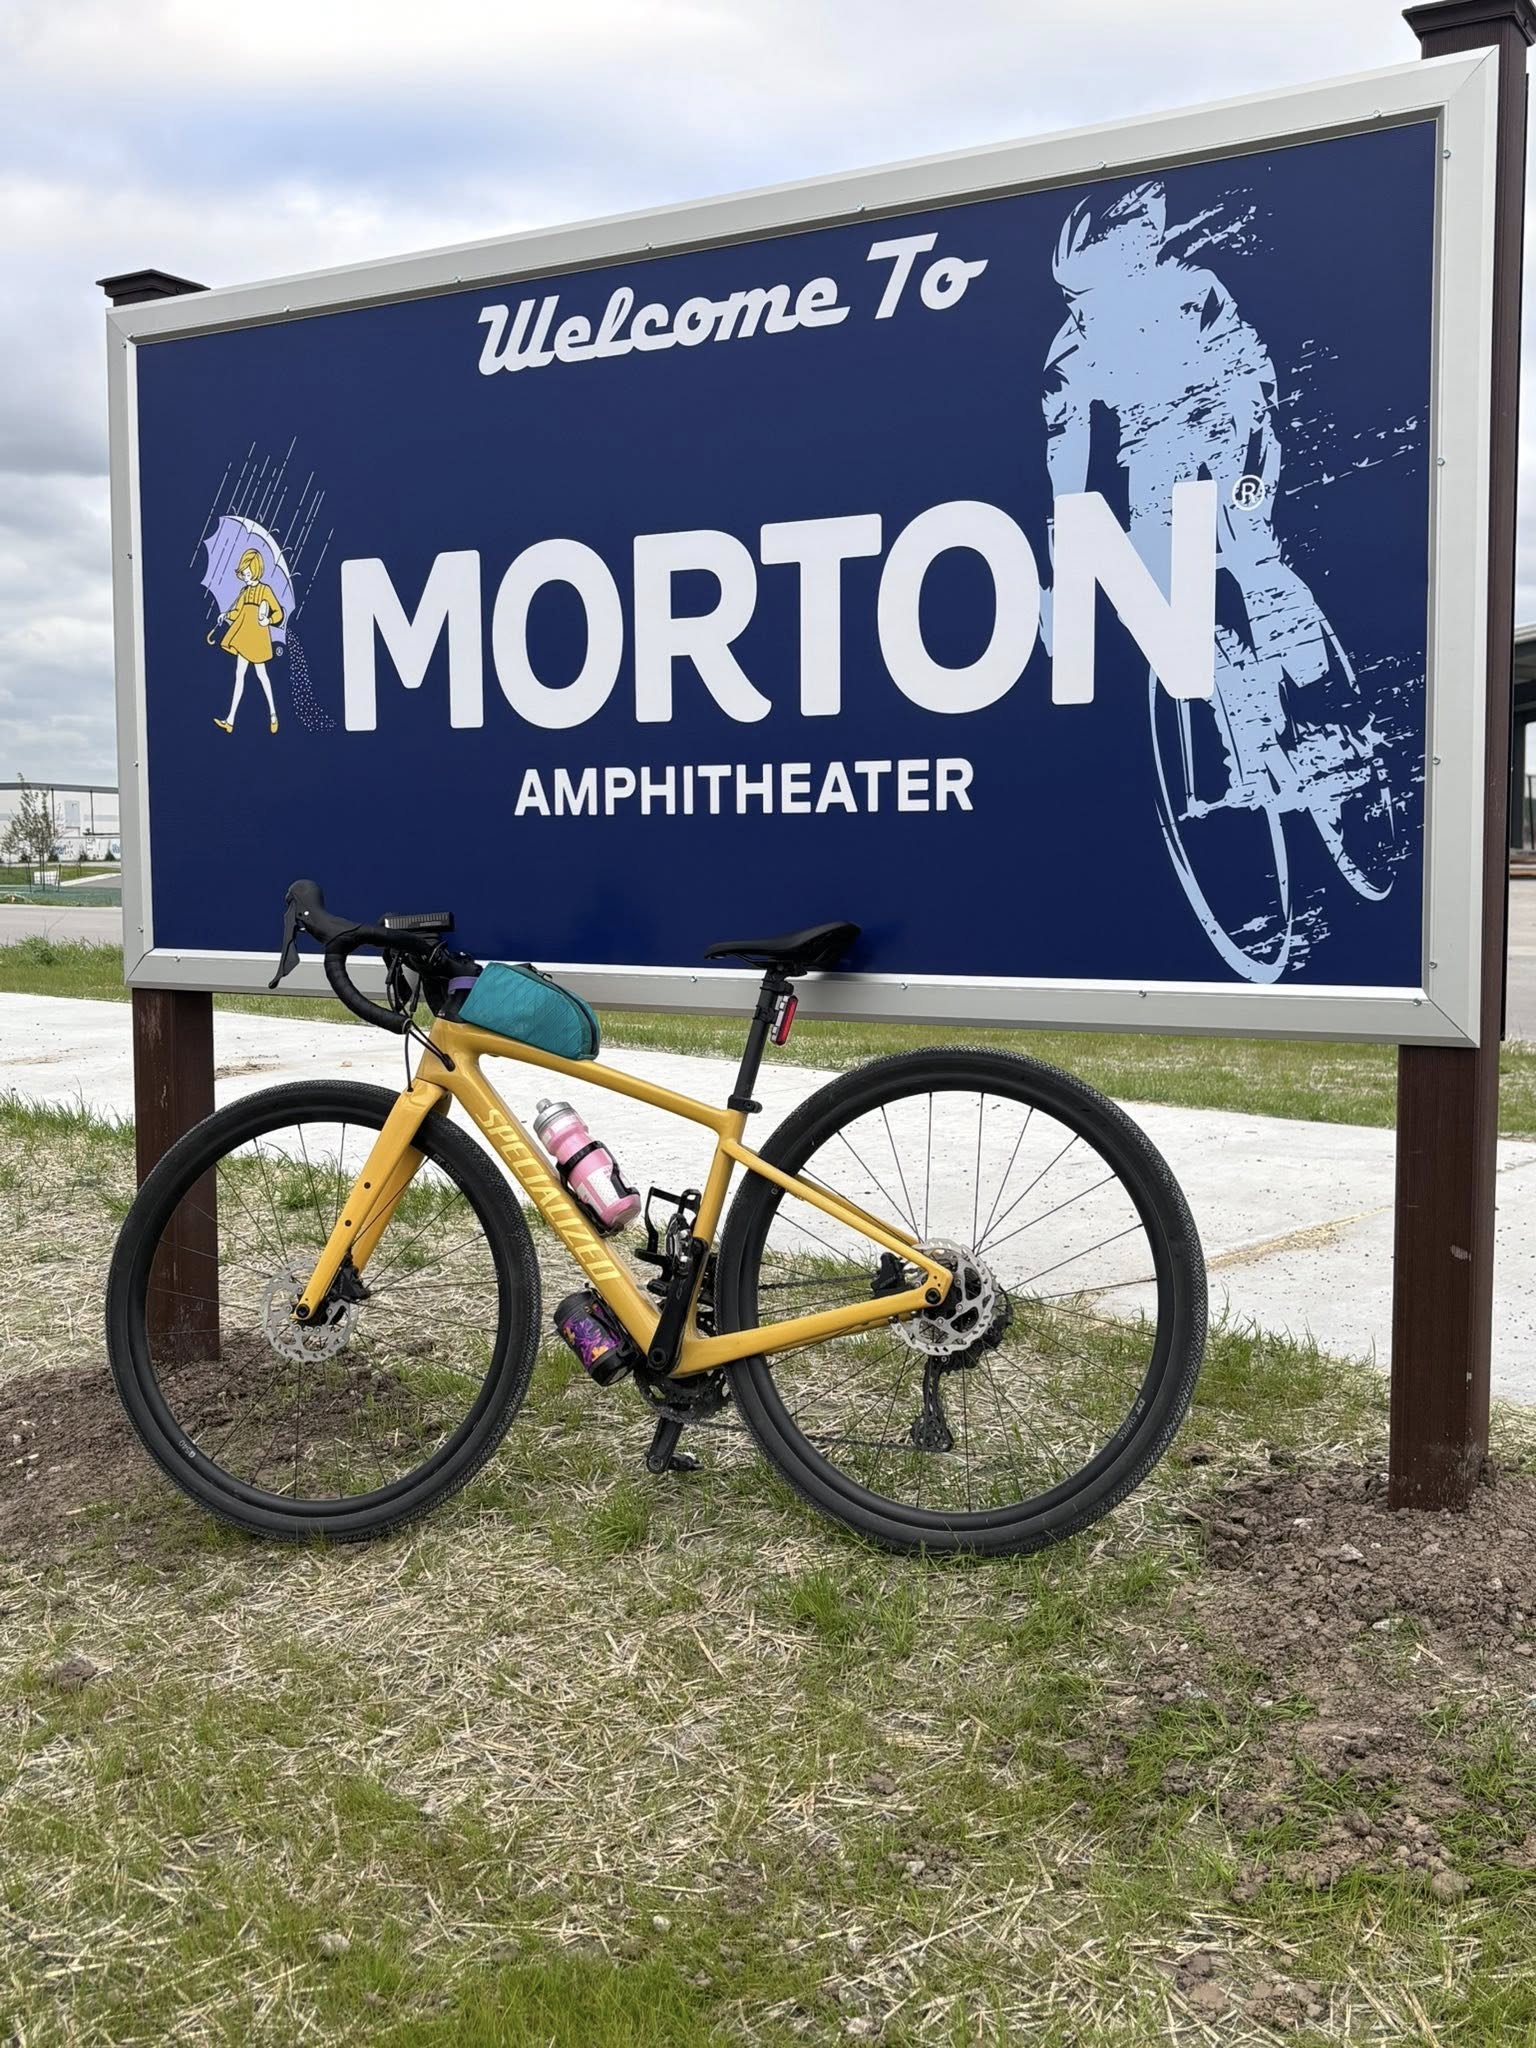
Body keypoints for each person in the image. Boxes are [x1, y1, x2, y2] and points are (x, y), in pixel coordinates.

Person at [215, 548, 284, 734]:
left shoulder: (265, 590)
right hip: (244, 636)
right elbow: (238, 612)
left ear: (255, 570)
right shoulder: (244, 591)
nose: (244, 577)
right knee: (239, 675)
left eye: (246, 573)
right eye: (242, 573)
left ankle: (273, 713)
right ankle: (230, 720)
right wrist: (225, 615)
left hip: (257, 638)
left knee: (262, 675)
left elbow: (278, 612)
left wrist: (267, 620)